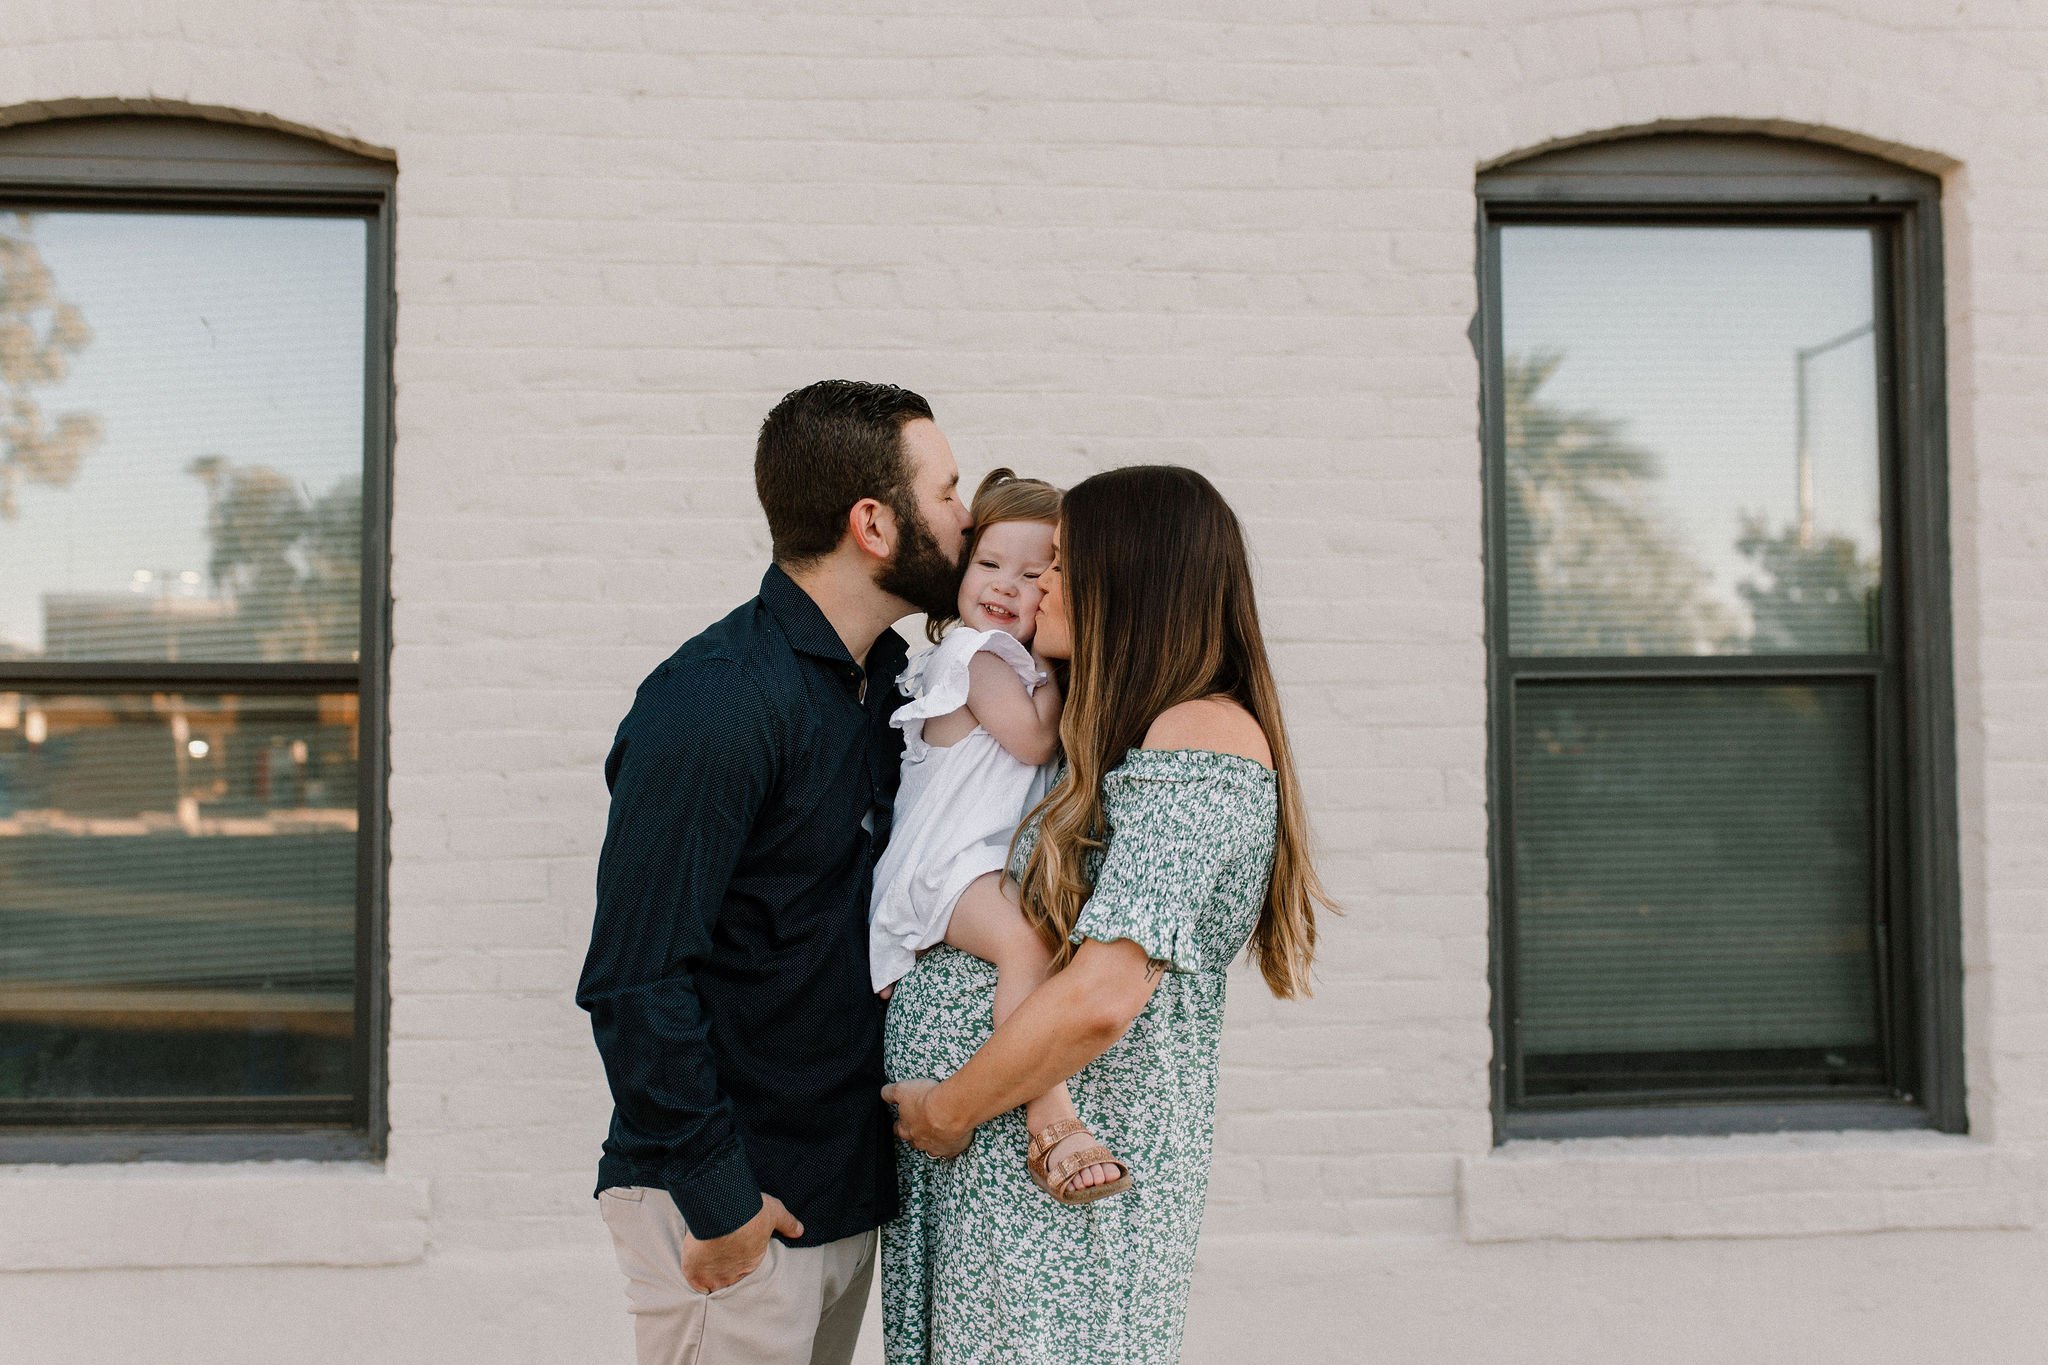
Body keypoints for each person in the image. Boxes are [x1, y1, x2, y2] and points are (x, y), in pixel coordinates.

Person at [878, 464, 1332, 1364]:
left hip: (1057, 1202)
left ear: (1129, 578)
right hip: (992, 1191)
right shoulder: (1103, 728)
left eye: (1063, 563)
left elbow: (1101, 995)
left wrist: (948, 1109)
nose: (1038, 584)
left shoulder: (1201, 734)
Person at [577, 380, 971, 1365]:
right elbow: (633, 980)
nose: (967, 520)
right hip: (732, 1206)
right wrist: (723, 1205)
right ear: (873, 523)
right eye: (949, 494)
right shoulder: (710, 706)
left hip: (839, 1191)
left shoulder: (890, 688)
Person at [866, 468, 1128, 1207]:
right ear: (963, 562)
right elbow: (1034, 740)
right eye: (989, 564)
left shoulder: (1006, 658)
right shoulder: (979, 657)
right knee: (1028, 945)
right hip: (944, 867)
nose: (1007, 586)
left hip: (976, 865)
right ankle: (1052, 1114)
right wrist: (1051, 664)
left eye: (1033, 573)